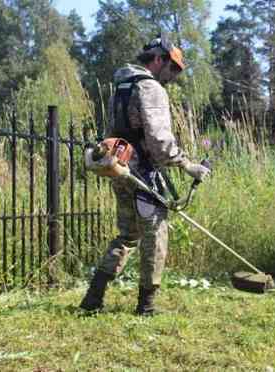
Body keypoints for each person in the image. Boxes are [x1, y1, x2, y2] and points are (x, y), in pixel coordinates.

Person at [79, 34, 210, 316]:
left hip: (121, 168)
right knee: (155, 237)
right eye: (173, 68)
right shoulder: (150, 88)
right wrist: (187, 164)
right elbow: (159, 140)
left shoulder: (122, 85)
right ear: (158, 59)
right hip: (144, 174)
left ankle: (92, 299)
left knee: (127, 235)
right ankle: (146, 306)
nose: (174, 75)